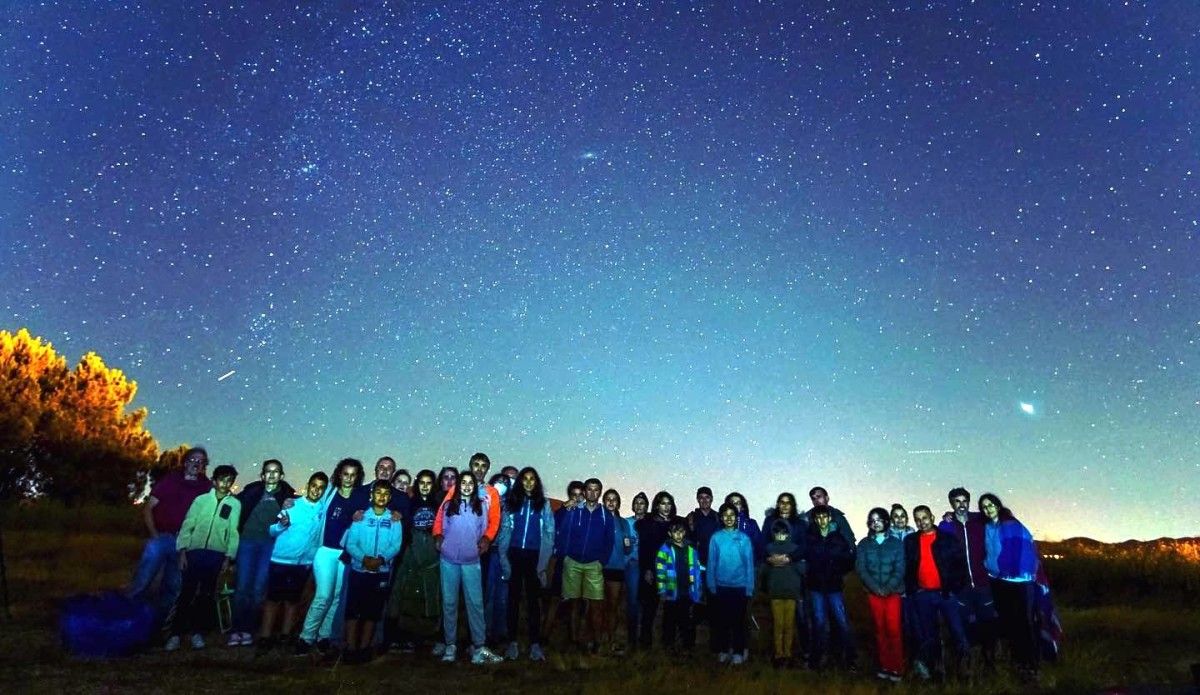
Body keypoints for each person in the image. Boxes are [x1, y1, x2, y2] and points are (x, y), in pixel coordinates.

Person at [129, 446, 211, 631]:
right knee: (142, 582)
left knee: (172, 588)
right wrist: (155, 536)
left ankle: (156, 629)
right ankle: (127, 622)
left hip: (185, 544)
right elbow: (149, 508)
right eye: (193, 460)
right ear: (186, 462)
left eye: (201, 462)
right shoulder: (171, 481)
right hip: (163, 538)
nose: (196, 465)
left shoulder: (206, 487)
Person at [166, 464, 240, 652]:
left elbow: (233, 532)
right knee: (187, 592)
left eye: (229, 480)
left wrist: (229, 557)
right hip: (194, 551)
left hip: (216, 554)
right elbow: (188, 524)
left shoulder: (234, 504)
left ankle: (197, 633)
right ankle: (175, 633)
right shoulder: (200, 500)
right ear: (214, 481)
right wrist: (182, 550)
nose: (225, 483)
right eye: (222, 479)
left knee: (206, 594)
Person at [433, 470, 504, 664]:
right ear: (458, 485)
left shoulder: (481, 506)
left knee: (475, 603)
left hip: (471, 561)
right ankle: (450, 645)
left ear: (475, 486)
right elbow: (439, 522)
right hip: (448, 560)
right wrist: (439, 538)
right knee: (449, 603)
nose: (466, 486)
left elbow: (485, 529)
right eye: (463, 482)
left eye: (470, 483)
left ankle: (479, 647)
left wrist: (483, 542)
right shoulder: (448, 504)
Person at [297, 458, 364, 656]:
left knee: (335, 596)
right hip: (325, 550)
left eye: (353, 474)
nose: (349, 478)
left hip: (345, 554)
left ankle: (323, 636)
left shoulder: (359, 498)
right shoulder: (329, 492)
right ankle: (306, 637)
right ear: (339, 474)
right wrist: (289, 501)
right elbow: (310, 501)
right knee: (323, 595)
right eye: (345, 473)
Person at [257, 471, 327, 654]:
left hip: (303, 563)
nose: (317, 490)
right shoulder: (293, 504)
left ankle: (285, 635)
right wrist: (282, 525)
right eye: (314, 485)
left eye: (321, 487)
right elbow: (272, 531)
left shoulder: (323, 509)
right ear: (308, 485)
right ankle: (265, 636)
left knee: (292, 601)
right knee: (273, 600)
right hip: (280, 560)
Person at [229, 459, 295, 647]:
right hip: (247, 542)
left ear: (281, 476)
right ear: (262, 475)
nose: (272, 474)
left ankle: (248, 629)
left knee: (258, 590)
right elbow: (234, 504)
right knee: (242, 587)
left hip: (269, 545)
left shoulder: (287, 496)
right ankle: (236, 630)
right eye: (268, 471)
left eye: (276, 471)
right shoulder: (251, 491)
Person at [979, 493, 1042, 684]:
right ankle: (1018, 661)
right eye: (984, 507)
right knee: (1009, 623)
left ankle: (1031, 665)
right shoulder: (986, 527)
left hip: (1019, 582)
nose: (988, 509)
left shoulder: (1012, 525)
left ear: (998, 506)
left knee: (1024, 624)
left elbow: (1025, 550)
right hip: (998, 581)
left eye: (991, 505)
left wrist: (1017, 571)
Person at [903, 505, 970, 681]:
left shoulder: (947, 539)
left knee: (957, 631)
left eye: (924, 517)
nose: (921, 522)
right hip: (923, 595)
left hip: (946, 594)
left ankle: (964, 670)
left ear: (932, 517)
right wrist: (913, 589)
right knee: (930, 635)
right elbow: (908, 567)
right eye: (917, 519)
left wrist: (955, 587)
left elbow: (960, 564)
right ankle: (938, 669)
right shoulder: (910, 541)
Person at [342, 480, 404, 664]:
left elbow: (396, 544)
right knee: (354, 610)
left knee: (372, 611)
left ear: (390, 497)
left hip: (381, 571)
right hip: (359, 570)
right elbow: (351, 543)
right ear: (372, 495)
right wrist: (364, 559)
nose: (381, 497)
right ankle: (351, 648)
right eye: (378, 493)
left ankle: (364, 648)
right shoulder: (361, 517)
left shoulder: (394, 520)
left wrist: (381, 559)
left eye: (386, 494)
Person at [497, 466, 555, 662]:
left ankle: (535, 644)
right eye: (525, 479)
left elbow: (549, 533)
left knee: (533, 602)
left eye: (532, 479)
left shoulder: (543, 504)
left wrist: (542, 565)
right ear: (520, 482)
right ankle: (512, 643)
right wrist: (504, 559)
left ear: (536, 482)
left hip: (534, 557)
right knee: (513, 600)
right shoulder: (511, 503)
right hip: (514, 554)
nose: (529, 482)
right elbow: (505, 530)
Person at [938, 487, 998, 671]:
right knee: (965, 624)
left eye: (964, 501)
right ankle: (967, 660)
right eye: (957, 501)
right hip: (961, 586)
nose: (961, 505)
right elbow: (942, 555)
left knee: (988, 623)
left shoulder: (980, 520)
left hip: (983, 582)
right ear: (951, 503)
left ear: (969, 502)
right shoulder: (946, 526)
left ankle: (990, 660)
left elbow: (999, 519)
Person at [554, 477, 616, 653]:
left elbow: (609, 541)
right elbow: (558, 523)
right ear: (585, 491)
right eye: (589, 489)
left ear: (600, 492)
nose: (592, 493)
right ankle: (574, 640)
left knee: (596, 604)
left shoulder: (605, 515)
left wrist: (601, 561)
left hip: (594, 565)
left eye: (596, 490)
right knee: (573, 603)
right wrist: (564, 555)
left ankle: (596, 642)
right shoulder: (575, 509)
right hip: (572, 562)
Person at [385, 469, 443, 653]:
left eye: (429, 483)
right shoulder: (410, 502)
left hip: (430, 554)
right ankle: (402, 636)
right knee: (405, 594)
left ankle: (425, 635)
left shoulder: (437, 504)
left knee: (428, 595)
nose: (425, 486)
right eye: (422, 483)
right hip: (411, 552)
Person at [856, 507, 905, 682]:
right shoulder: (864, 544)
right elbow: (861, 569)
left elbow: (900, 568)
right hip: (873, 592)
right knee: (880, 629)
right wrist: (875, 587)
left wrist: (888, 587)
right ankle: (885, 666)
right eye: (872, 520)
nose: (876, 523)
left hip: (893, 593)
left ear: (886, 521)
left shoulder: (896, 543)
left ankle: (896, 667)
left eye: (879, 519)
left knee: (893, 629)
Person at [804, 505, 856, 671]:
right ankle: (816, 659)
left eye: (824, 517)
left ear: (830, 518)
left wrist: (838, 571)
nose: (821, 520)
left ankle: (849, 659)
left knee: (842, 623)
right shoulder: (810, 538)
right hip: (816, 587)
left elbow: (849, 560)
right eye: (818, 517)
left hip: (834, 587)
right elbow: (804, 557)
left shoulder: (838, 538)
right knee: (818, 623)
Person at [762, 491, 810, 660]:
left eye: (788, 502)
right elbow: (763, 543)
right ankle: (778, 653)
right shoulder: (770, 521)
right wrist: (770, 558)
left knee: (799, 617)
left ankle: (802, 651)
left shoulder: (800, 523)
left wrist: (790, 557)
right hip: (775, 574)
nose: (784, 505)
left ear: (793, 505)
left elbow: (805, 545)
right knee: (777, 620)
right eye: (781, 502)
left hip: (793, 574)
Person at [707, 502, 755, 665]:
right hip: (721, 586)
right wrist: (711, 584)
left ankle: (738, 651)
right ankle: (723, 650)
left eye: (732, 515)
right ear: (721, 517)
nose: (729, 518)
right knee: (722, 621)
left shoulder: (744, 539)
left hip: (739, 586)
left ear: (736, 517)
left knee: (738, 622)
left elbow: (749, 564)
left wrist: (749, 587)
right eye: (725, 515)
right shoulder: (716, 538)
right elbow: (711, 562)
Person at [635, 490, 682, 649]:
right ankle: (645, 643)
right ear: (657, 505)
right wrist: (647, 569)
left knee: (671, 609)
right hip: (653, 571)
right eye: (663, 503)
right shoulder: (649, 523)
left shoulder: (677, 524)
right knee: (649, 609)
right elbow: (645, 549)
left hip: (672, 572)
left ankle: (668, 643)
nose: (666, 507)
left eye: (669, 503)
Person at [541, 480, 585, 643]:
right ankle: (544, 637)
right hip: (562, 560)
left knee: (575, 602)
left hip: (579, 562)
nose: (577, 498)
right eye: (574, 494)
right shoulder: (562, 511)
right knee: (554, 600)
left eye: (580, 494)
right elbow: (553, 526)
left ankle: (574, 640)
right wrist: (565, 510)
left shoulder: (587, 513)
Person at [655, 518, 702, 654]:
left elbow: (697, 570)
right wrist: (662, 589)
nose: (678, 535)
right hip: (671, 592)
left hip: (687, 591)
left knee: (686, 621)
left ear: (685, 532)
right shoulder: (665, 549)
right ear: (670, 534)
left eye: (681, 532)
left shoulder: (691, 549)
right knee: (669, 620)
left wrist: (697, 589)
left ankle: (687, 647)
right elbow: (660, 570)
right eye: (675, 532)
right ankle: (668, 645)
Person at [600, 488, 635, 654]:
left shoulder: (623, 523)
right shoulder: (598, 519)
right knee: (597, 605)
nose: (611, 502)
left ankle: (611, 639)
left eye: (614, 499)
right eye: (608, 499)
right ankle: (597, 639)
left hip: (617, 568)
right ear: (603, 501)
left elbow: (627, 550)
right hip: (599, 567)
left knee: (613, 606)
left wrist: (628, 545)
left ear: (618, 502)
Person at [624, 492, 647, 649]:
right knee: (632, 600)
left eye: (642, 503)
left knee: (645, 602)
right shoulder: (626, 523)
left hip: (647, 565)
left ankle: (644, 636)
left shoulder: (649, 523)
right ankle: (632, 637)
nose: (639, 506)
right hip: (632, 564)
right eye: (636, 503)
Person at [804, 487, 856, 552]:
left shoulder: (837, 517)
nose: (816, 500)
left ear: (827, 498)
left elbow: (849, 540)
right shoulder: (806, 518)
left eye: (819, 497)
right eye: (813, 499)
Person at [724, 491, 764, 561]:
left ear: (742, 507)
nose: (734, 505)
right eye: (732, 503)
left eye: (738, 503)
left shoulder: (751, 524)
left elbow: (759, 547)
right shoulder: (721, 524)